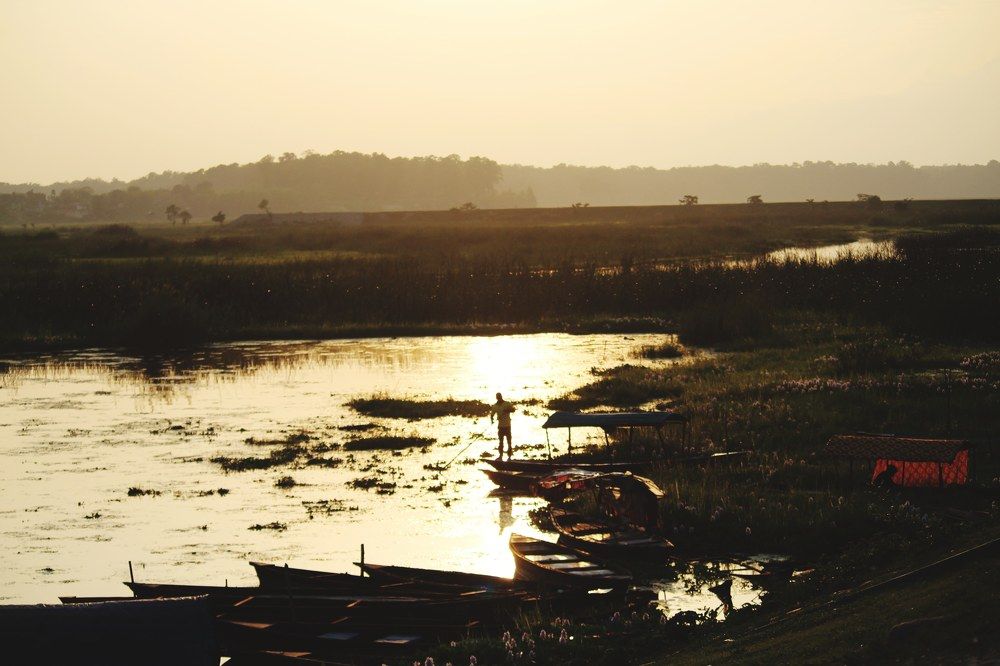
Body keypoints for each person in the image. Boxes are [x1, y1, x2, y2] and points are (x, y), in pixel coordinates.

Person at [489, 392, 516, 459]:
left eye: (499, 396)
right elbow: (492, 415)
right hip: (500, 426)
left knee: (509, 442)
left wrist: (507, 410)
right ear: (496, 398)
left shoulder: (507, 404)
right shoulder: (495, 406)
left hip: (507, 425)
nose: (499, 398)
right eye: (498, 397)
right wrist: (492, 420)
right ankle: (500, 456)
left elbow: (513, 409)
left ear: (501, 397)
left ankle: (509, 456)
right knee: (501, 442)